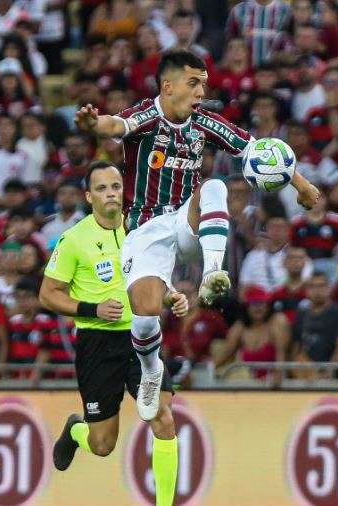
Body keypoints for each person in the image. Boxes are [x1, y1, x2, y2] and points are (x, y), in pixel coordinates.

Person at [75, 49, 321, 421]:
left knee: (215, 186)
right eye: (193, 84)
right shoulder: (146, 116)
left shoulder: (204, 123)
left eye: (203, 85)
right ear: (168, 86)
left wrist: (301, 185)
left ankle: (212, 274)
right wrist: (93, 124)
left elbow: (257, 150)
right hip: (145, 229)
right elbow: (115, 126)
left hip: (186, 223)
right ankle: (151, 369)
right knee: (145, 317)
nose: (200, 92)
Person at [41, 162, 183, 506]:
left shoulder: (142, 230)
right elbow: (48, 295)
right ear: (89, 196)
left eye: (116, 187)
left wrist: (171, 296)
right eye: (102, 188)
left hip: (140, 338)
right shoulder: (74, 239)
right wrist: (94, 309)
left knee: (163, 418)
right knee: (103, 444)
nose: (111, 194)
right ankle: (76, 430)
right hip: (98, 344)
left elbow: (151, 279)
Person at [291, 272, 338, 378]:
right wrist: (296, 372)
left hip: (333, 377)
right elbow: (297, 347)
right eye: (312, 286)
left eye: (322, 286)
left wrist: (329, 371)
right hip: (307, 376)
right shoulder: (302, 315)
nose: (317, 290)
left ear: (329, 288)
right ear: (306, 290)